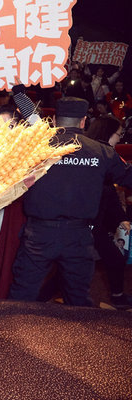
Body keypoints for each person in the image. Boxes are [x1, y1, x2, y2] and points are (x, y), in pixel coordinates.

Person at [9, 97, 132, 307]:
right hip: (79, 236)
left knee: (22, 294)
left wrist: (19, 95)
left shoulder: (34, 147)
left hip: (39, 234)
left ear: (55, 120)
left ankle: (10, 328)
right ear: (83, 121)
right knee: (78, 299)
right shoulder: (101, 151)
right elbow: (127, 177)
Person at [85, 115, 132, 309]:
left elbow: (110, 193)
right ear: (108, 134)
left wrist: (121, 219)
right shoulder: (101, 157)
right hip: (84, 222)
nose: (119, 139)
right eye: (118, 134)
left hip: (94, 222)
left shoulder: (101, 155)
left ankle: (118, 296)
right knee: (78, 267)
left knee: (108, 259)